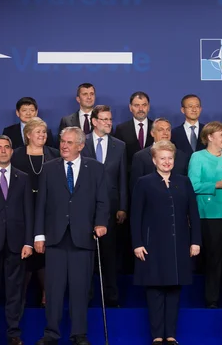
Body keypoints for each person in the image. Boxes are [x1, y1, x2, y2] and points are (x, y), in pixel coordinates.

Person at [34, 127, 109, 345]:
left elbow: (102, 199)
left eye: (69, 142)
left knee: (80, 289)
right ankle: (51, 333)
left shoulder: (95, 168)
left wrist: (101, 222)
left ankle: (79, 334)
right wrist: (39, 235)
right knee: (54, 289)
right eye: (62, 142)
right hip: (55, 237)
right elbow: (41, 204)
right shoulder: (49, 168)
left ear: (80, 145)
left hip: (83, 236)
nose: (64, 146)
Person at [131, 140, 202, 345]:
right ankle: (156, 336)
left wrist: (195, 241)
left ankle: (170, 335)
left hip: (179, 244)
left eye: (170, 158)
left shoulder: (184, 181)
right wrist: (137, 243)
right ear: (154, 160)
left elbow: (193, 214)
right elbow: (136, 216)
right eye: (162, 158)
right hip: (152, 245)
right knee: (154, 291)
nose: (167, 162)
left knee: (174, 290)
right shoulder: (143, 182)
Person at [81, 105, 128, 307]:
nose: (109, 123)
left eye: (110, 119)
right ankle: (87, 296)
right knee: (86, 255)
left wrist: (123, 207)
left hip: (110, 208)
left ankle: (111, 297)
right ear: (94, 122)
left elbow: (123, 179)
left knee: (109, 254)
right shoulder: (81, 142)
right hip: (84, 208)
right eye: (104, 119)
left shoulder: (120, 145)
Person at [11, 118, 60, 308]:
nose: (42, 135)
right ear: (28, 134)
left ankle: (47, 294)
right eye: (38, 131)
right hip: (21, 209)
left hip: (48, 209)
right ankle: (19, 297)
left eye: (44, 132)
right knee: (24, 249)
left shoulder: (54, 155)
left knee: (44, 251)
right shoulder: (16, 155)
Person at [188, 122, 222, 308]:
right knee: (213, 258)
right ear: (209, 137)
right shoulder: (197, 157)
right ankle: (212, 298)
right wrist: (216, 185)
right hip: (209, 215)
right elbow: (192, 185)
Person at [0, 135, 34, 345]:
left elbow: (29, 211)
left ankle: (13, 333)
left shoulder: (23, 177)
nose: (3, 151)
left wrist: (28, 242)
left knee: (15, 291)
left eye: (6, 147)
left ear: (12, 151)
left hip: (17, 244)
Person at [130, 118, 189, 191]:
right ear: (152, 133)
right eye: (161, 130)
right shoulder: (140, 157)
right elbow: (136, 188)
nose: (165, 133)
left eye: (168, 130)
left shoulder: (182, 156)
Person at [114, 91, 154, 169]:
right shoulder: (121, 129)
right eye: (136, 105)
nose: (141, 109)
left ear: (148, 107)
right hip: (130, 176)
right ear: (130, 108)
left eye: (144, 105)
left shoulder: (156, 127)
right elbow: (118, 158)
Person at [172, 94, 206, 159]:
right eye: (190, 106)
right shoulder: (174, 133)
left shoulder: (207, 131)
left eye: (197, 106)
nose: (194, 109)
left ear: (200, 109)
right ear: (182, 110)